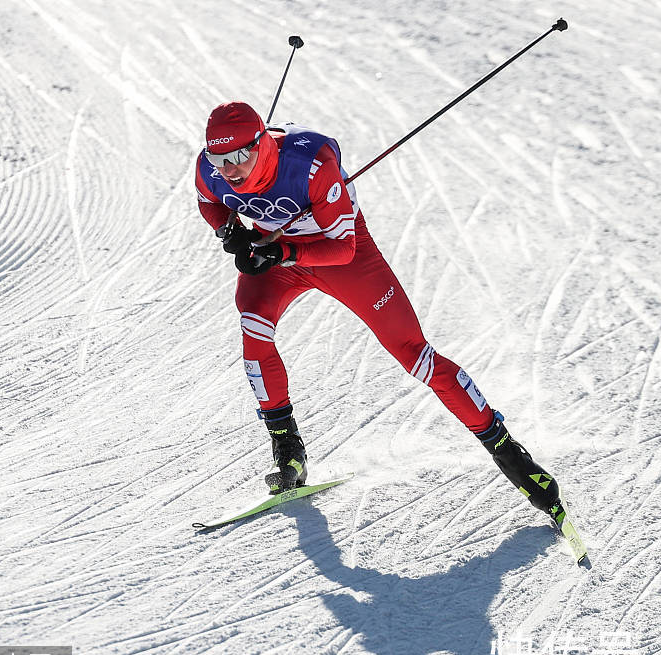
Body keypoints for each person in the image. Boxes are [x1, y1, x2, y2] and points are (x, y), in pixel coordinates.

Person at [194, 101, 569, 526]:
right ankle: (288, 450)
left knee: (414, 353)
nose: (229, 169)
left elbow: (342, 248)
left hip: (340, 259)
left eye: (239, 156)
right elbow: (210, 201)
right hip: (276, 257)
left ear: (263, 145)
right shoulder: (211, 170)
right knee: (253, 332)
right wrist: (232, 232)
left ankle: (510, 455)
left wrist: (281, 251)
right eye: (218, 158)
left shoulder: (311, 164)